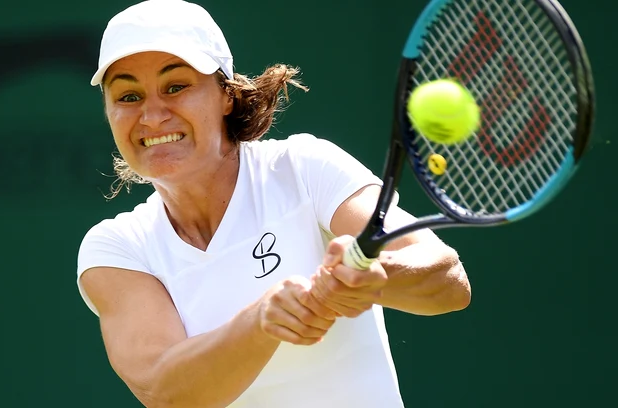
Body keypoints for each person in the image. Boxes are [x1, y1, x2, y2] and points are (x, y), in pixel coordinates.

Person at [76, 0, 471, 407]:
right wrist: (262, 320)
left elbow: (448, 283)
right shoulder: (117, 249)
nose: (153, 115)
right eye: (128, 96)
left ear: (225, 95)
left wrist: (374, 277)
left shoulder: (302, 167)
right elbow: (167, 393)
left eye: (176, 87)